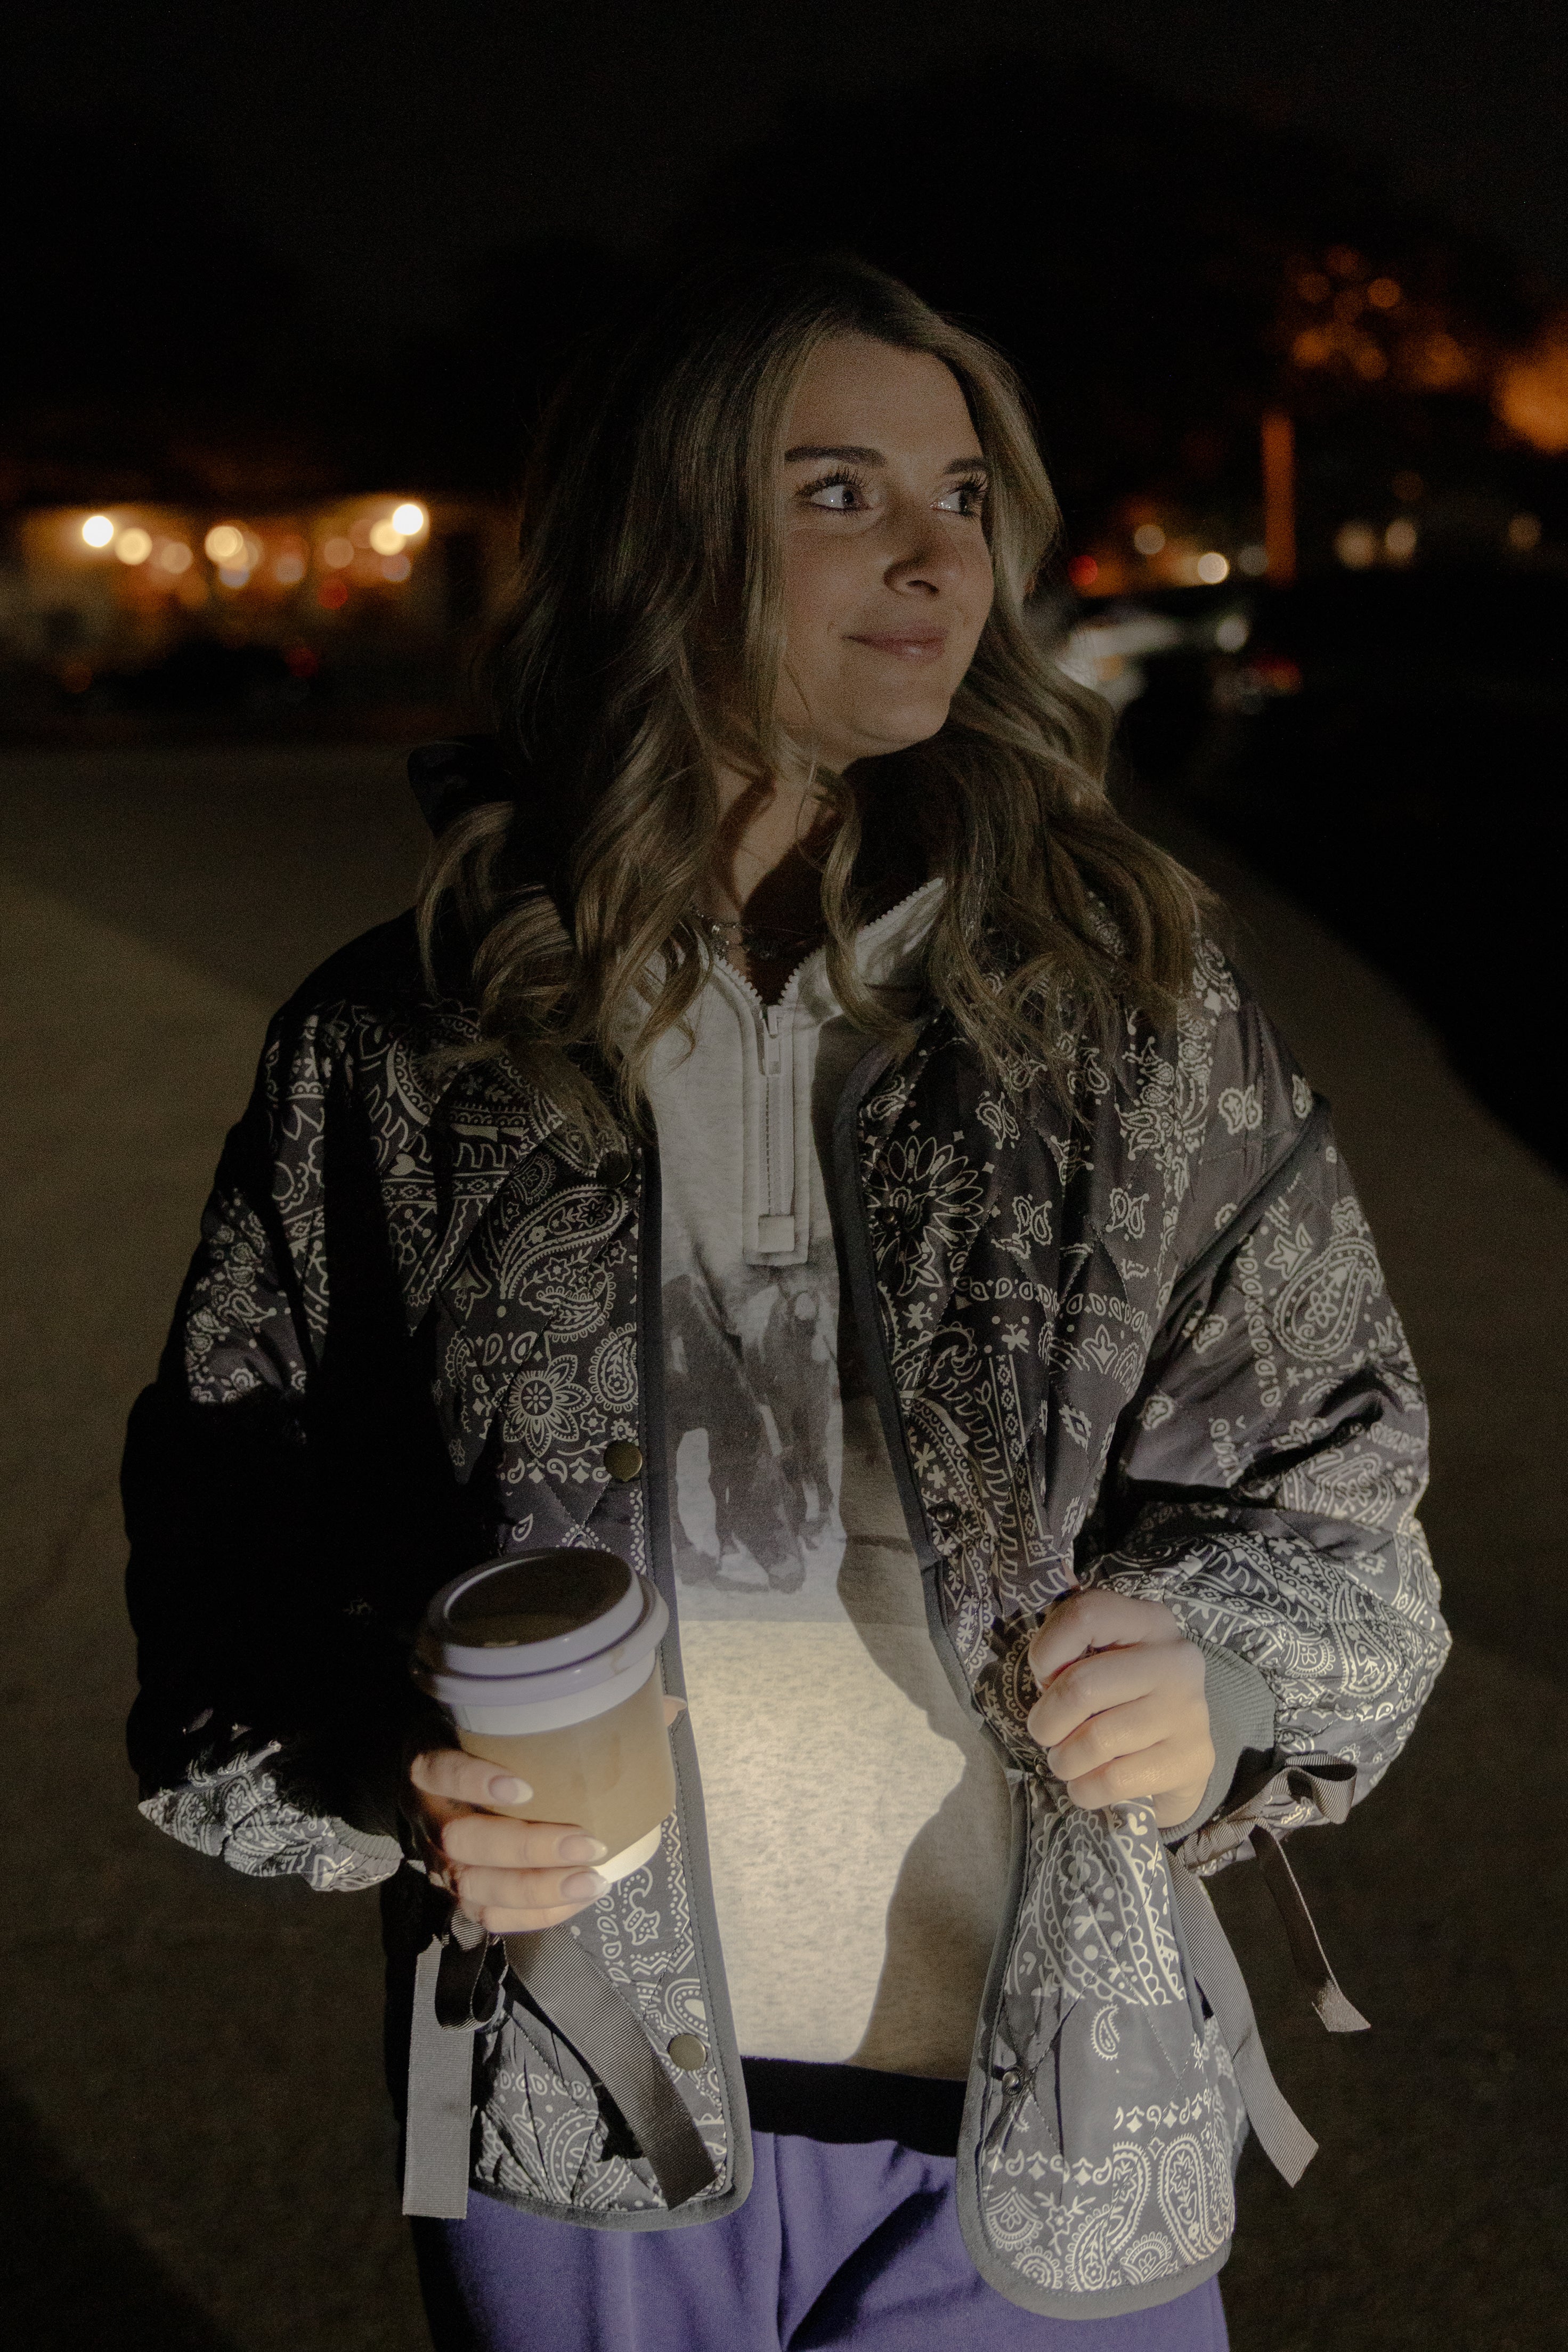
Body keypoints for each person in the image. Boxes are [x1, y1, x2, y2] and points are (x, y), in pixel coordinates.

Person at [123, 255, 1449, 2351]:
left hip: (1052, 2125)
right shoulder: (400, 1046)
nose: (937, 556)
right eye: (840, 492)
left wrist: (1224, 1682)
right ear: (656, 541)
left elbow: (1340, 1490)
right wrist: (390, 1756)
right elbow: (226, 1535)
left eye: (961, 494)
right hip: (591, 2123)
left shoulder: (1125, 1007)